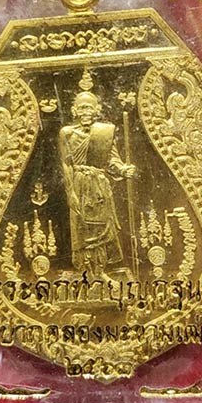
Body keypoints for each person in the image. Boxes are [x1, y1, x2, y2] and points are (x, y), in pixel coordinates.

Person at [59, 91, 135, 276]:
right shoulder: (67, 133)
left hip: (99, 186)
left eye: (89, 108)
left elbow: (112, 160)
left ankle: (100, 272)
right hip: (79, 184)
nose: (85, 112)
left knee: (103, 228)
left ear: (97, 110)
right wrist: (70, 193)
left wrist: (123, 170)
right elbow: (66, 164)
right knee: (82, 230)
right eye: (81, 108)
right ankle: (87, 273)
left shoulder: (104, 132)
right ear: (74, 110)